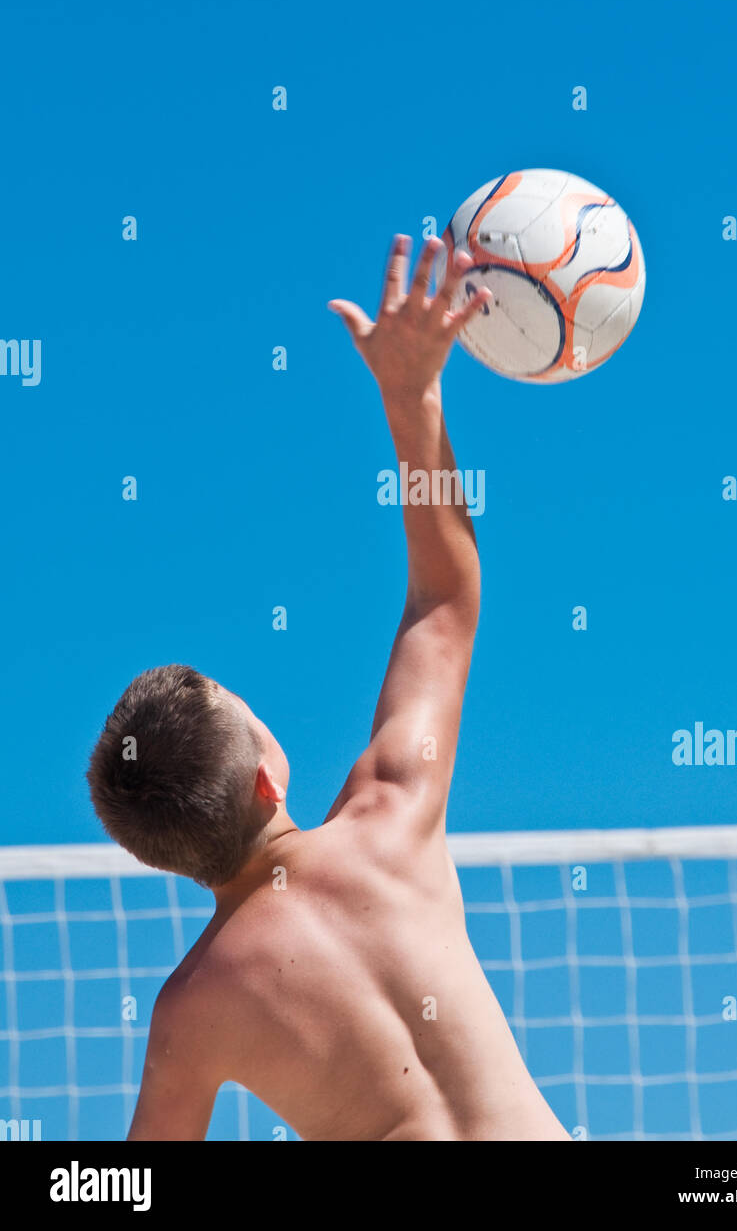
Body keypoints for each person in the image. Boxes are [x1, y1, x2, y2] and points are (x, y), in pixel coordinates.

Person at [87, 234, 572, 1142]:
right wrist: (410, 399)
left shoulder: (192, 1010)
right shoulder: (391, 818)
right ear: (270, 773)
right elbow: (443, 601)